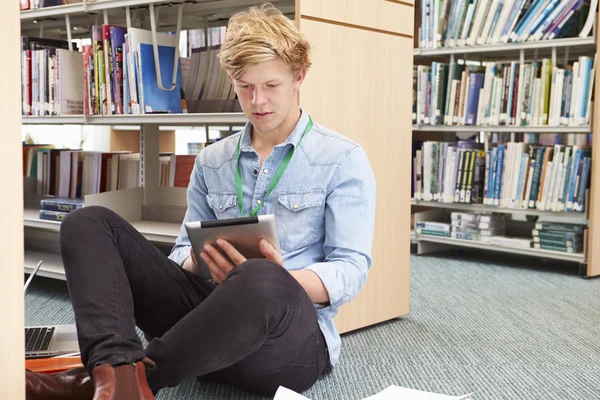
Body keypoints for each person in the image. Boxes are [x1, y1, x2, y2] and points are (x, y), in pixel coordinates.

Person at [25, 3, 376, 399]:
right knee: (86, 222)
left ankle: (134, 381)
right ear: (231, 79)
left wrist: (283, 282)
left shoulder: (343, 158)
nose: (257, 100)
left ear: (299, 77)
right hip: (206, 327)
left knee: (262, 279)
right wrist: (199, 259)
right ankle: (118, 374)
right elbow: (179, 257)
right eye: (245, 86)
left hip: (287, 346)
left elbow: (351, 270)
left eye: (271, 86)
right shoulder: (212, 159)